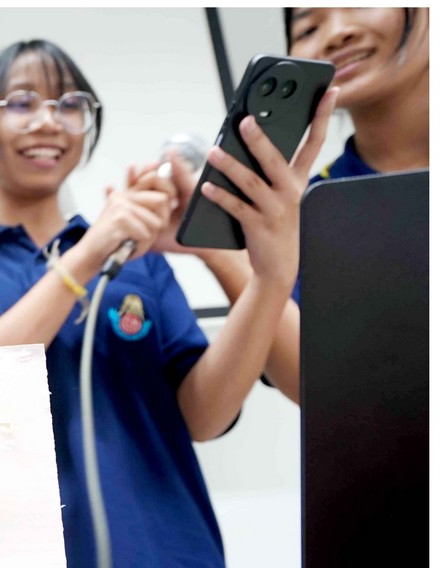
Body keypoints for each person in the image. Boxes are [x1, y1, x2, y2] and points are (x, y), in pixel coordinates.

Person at [0, 40, 336, 568]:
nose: (49, 120)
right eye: (20, 102)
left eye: (69, 104)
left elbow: (205, 416)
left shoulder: (144, 267)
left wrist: (250, 269)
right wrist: (90, 250)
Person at [182, 8, 428, 403]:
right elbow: (328, 391)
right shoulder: (308, 213)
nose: (337, 33)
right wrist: (229, 255)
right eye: (308, 28)